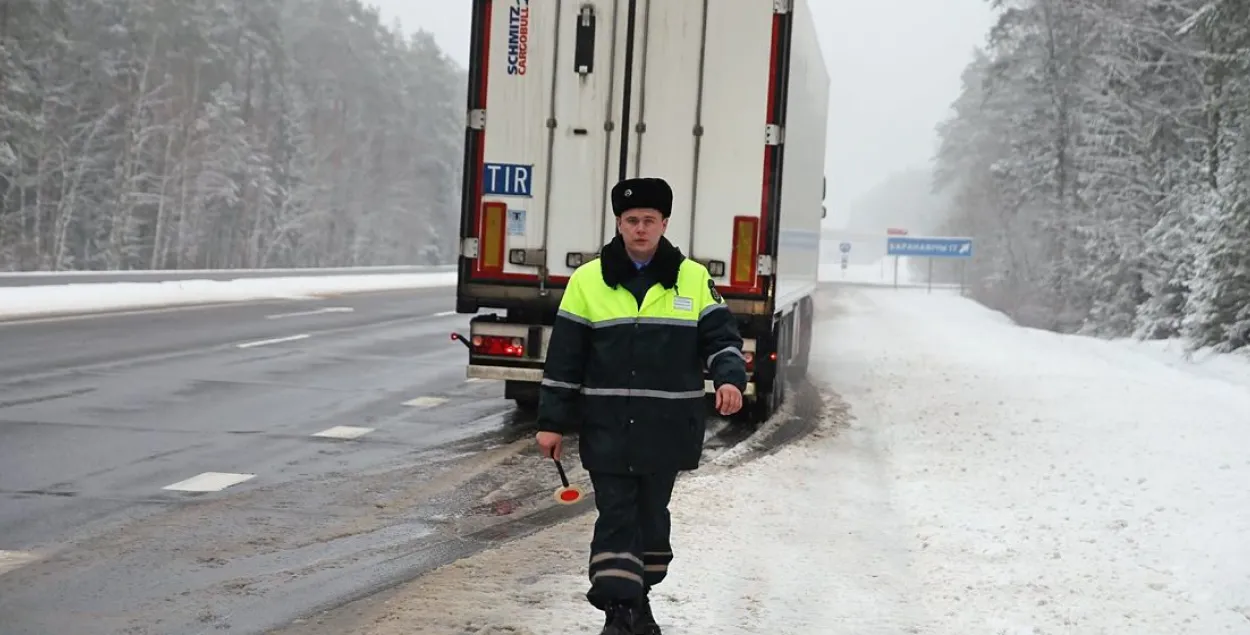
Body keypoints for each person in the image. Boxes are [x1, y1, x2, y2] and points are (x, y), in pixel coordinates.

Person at [534, 176, 748, 634]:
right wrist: (551, 423)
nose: (640, 228)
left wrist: (730, 379)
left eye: (649, 220)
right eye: (631, 220)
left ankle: (637, 599)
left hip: (666, 429)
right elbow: (565, 359)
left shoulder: (692, 278)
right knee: (616, 516)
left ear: (664, 223)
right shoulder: (587, 281)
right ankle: (619, 612)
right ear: (618, 223)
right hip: (607, 428)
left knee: (652, 524)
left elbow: (722, 340)